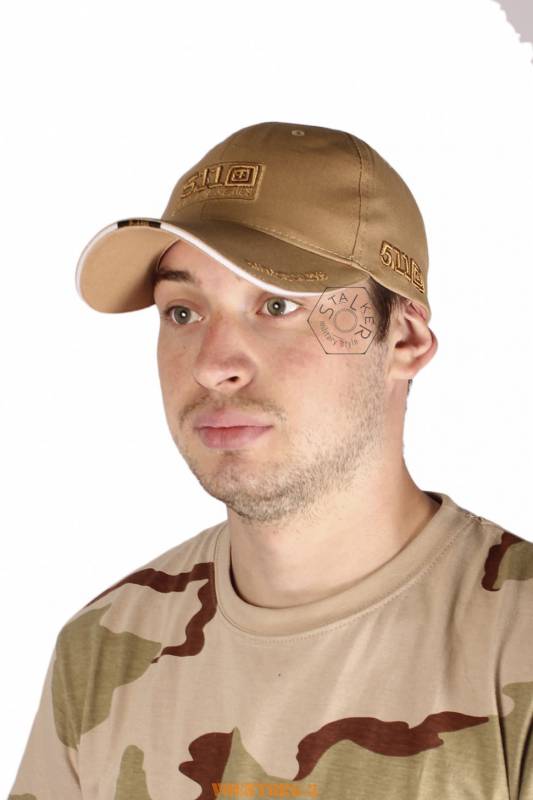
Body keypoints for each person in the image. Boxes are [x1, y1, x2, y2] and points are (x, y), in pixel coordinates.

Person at [7, 121, 533, 799]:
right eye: (182, 312)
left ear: (402, 338)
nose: (212, 365)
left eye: (276, 304)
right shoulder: (103, 649)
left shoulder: (516, 643)